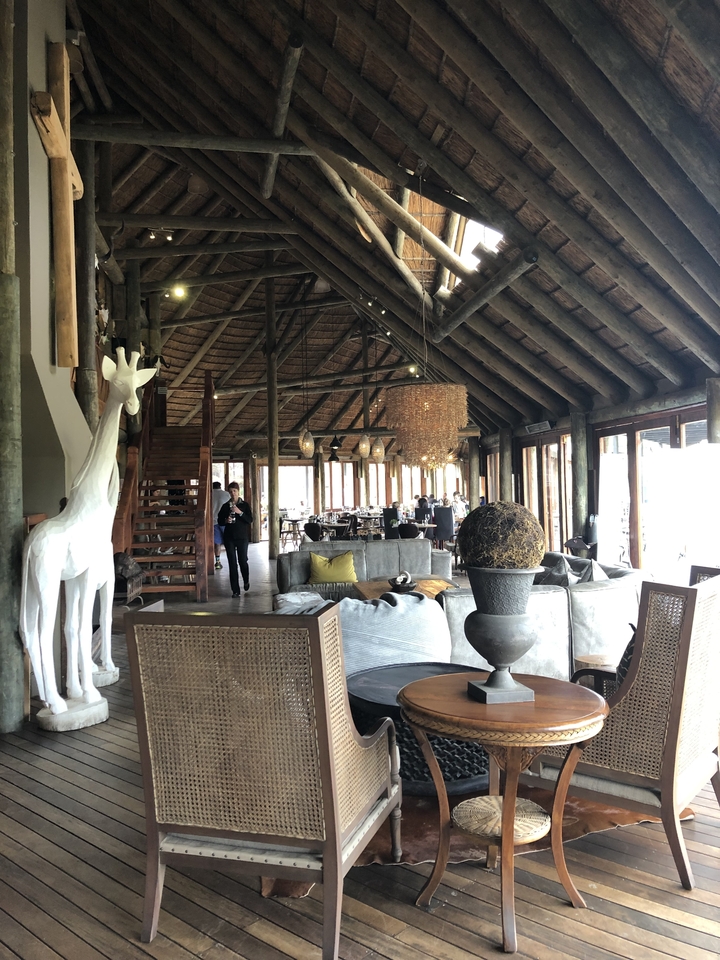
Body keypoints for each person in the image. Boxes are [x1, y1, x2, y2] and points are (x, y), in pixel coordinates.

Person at [217, 482, 253, 597]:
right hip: (229, 538)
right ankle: (235, 590)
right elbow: (219, 520)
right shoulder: (225, 506)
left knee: (243, 561)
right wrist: (225, 521)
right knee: (232, 564)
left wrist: (240, 513)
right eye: (231, 491)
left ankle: (246, 580)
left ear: (238, 492)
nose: (233, 494)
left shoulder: (245, 505)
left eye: (235, 491)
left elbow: (250, 520)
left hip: (242, 537)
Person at [212, 481, 230, 570]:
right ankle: (231, 560)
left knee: (217, 543)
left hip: (214, 522)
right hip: (224, 521)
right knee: (229, 542)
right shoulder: (226, 494)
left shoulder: (209, 495)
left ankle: (218, 562)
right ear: (220, 486)